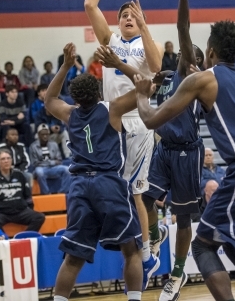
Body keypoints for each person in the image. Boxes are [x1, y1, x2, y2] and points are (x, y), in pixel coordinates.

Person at [134, 19, 235, 301]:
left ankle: (173, 266)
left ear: (210, 51)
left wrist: (140, 95)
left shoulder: (203, 79)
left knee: (202, 246)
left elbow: (149, 119)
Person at [100, 0, 203, 299]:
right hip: (162, 148)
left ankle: (177, 273)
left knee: (185, 219)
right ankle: (153, 238)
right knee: (142, 195)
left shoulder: (203, 85)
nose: (190, 62)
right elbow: (159, 65)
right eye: (187, 59)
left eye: (195, 60)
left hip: (188, 153)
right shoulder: (169, 78)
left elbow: (181, 36)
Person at [85, 0, 163, 284]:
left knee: (134, 193)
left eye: (133, 14)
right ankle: (138, 249)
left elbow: (158, 68)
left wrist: (145, 26)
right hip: (111, 122)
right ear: (117, 23)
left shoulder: (145, 44)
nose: (127, 18)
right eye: (123, 15)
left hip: (139, 122)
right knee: (115, 189)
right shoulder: (111, 40)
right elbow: (90, 6)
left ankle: (145, 254)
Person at [44, 43, 144, 301]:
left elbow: (49, 99)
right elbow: (145, 86)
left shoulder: (69, 113)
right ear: (99, 91)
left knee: (74, 255)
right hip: (108, 183)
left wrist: (66, 65)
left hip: (78, 186)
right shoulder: (112, 108)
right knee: (131, 248)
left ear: (75, 98)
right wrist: (118, 64)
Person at [0, 149, 46, 232]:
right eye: (3, 159)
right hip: (0, 213)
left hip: (20, 212)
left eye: (8, 158)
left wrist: (30, 209)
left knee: (39, 217)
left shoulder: (19, 174)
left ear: (11, 160)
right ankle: (4, 239)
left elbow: (27, 195)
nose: (6, 161)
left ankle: (24, 237)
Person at [29, 124, 71, 194]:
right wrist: (52, 162)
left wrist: (48, 162)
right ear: (39, 135)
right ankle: (46, 193)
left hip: (53, 168)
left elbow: (59, 160)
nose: (45, 136)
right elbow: (35, 163)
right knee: (39, 172)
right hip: (41, 169)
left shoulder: (54, 144)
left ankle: (62, 192)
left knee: (67, 170)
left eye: (47, 134)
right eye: (43, 134)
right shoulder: (33, 146)